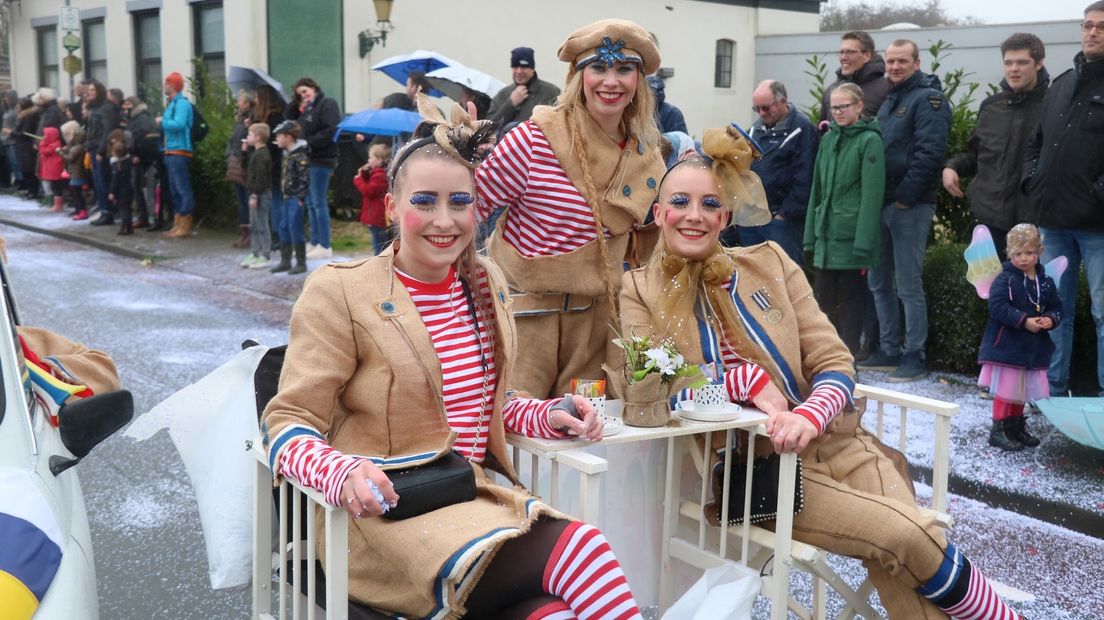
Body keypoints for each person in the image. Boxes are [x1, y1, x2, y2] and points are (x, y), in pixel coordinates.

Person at [261, 106, 641, 620]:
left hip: (468, 498)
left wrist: (547, 414)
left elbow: (486, 405)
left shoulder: (484, 283)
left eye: (460, 202)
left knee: (553, 615)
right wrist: (341, 471)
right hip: (381, 520)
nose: (445, 220)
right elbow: (286, 423)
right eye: (425, 201)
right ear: (392, 207)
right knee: (584, 549)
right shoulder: (342, 290)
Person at [620, 135, 1022, 620]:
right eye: (680, 202)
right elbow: (652, 387)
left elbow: (834, 359)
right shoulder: (638, 288)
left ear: (725, 218)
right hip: (761, 470)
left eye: (710, 203)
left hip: (839, 439)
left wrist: (811, 414)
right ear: (659, 213)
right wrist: (741, 381)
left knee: (903, 554)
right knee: (906, 534)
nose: (694, 215)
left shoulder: (769, 262)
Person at [476, 19, 666, 398]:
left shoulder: (648, 155)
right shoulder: (532, 140)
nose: (610, 82)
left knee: (586, 440)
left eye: (624, 69)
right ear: (578, 76)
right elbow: (468, 212)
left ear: (638, 81)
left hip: (595, 330)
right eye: (598, 67)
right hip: (525, 321)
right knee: (516, 443)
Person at [1022, 1, 1104, 398]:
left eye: (1101, 27)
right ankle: (1050, 390)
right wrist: (1031, 181)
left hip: (1098, 224)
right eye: (1088, 25)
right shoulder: (1063, 83)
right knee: (1053, 313)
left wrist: (1095, 195)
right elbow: (1036, 144)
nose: (1092, 32)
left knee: (1103, 313)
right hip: (1052, 220)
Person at [859, 39, 951, 383]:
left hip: (908, 206)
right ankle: (888, 349)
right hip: (882, 203)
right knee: (880, 282)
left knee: (908, 284)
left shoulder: (929, 100)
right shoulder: (891, 98)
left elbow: (930, 153)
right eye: (891, 61)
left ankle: (915, 354)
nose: (894, 67)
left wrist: (906, 197)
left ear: (917, 62)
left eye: (902, 61)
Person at [943, 33, 1049, 259]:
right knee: (993, 291)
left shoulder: (1054, 105)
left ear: (1039, 63)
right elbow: (976, 156)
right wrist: (952, 167)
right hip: (990, 219)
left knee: (1034, 292)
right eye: (1008, 63)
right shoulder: (991, 107)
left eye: (1022, 62)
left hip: (1036, 222)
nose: (1014, 69)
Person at [804, 83, 885, 356]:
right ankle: (825, 354)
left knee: (852, 302)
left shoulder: (869, 140)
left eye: (843, 107)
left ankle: (848, 356)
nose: (837, 112)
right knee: (823, 299)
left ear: (859, 107)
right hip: (827, 234)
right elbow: (816, 188)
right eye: (833, 107)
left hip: (851, 237)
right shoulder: (829, 138)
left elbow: (872, 195)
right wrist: (810, 234)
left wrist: (864, 243)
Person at [978, 224, 1060, 451]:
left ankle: (1015, 427)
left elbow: (1056, 306)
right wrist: (1024, 320)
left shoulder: (1046, 282)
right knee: (1006, 390)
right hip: (1007, 346)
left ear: (1040, 252)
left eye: (1029, 253)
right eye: (1017, 254)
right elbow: (997, 307)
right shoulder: (1004, 279)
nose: (1023, 258)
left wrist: (1051, 319)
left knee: (1021, 391)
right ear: (1009, 254)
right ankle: (999, 429)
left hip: (1032, 348)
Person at [727, 80, 816, 267]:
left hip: (781, 219)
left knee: (785, 272)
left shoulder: (802, 129)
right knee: (753, 272)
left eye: (766, 108)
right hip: (752, 216)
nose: (761, 114)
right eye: (757, 108)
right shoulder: (755, 129)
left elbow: (805, 176)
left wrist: (785, 214)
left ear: (783, 101)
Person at [286, 77, 341, 260]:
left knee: (318, 202)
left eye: (305, 91)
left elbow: (330, 129)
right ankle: (316, 241)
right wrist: (297, 104)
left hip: (321, 159)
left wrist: (308, 143)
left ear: (313, 88)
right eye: (299, 93)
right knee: (310, 202)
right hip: (309, 159)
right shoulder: (306, 109)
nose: (303, 95)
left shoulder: (327, 104)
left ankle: (325, 244)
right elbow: (290, 119)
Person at [820, 31, 891, 124]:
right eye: (841, 52)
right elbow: (822, 130)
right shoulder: (831, 90)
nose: (843, 58)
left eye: (849, 52)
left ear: (867, 56)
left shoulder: (887, 89)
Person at [158, 71, 196, 239]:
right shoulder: (172, 103)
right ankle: (178, 222)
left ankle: (185, 224)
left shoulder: (181, 104)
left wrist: (162, 122)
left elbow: (179, 124)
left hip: (180, 150)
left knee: (182, 188)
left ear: (172, 85)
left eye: (166, 83)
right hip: (170, 150)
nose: (164, 86)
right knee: (174, 189)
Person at [269, 120, 309, 275]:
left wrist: (300, 197)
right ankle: (285, 261)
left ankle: (301, 263)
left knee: (295, 227)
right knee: (283, 227)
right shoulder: (288, 154)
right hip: (286, 197)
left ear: (288, 137)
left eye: (279, 136)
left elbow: (304, 178)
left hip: (295, 198)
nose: (277, 139)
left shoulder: (300, 155)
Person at [487, 46, 562, 127]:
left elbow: (563, 121)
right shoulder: (503, 94)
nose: (519, 71)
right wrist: (511, 104)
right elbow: (489, 128)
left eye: (524, 67)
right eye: (515, 67)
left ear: (532, 68)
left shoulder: (551, 92)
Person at [84, 80, 120, 223]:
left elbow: (107, 131)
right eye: (89, 90)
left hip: (101, 148)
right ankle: (103, 209)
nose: (89, 92)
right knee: (98, 181)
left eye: (93, 90)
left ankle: (108, 212)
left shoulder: (106, 108)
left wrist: (101, 150)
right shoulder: (95, 108)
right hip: (93, 146)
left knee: (103, 180)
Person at [122, 96, 159, 229]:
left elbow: (143, 137)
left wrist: (137, 154)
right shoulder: (133, 119)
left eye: (128, 104)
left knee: (145, 190)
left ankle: (149, 218)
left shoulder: (142, 118)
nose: (125, 108)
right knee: (137, 188)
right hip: (136, 157)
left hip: (143, 159)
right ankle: (143, 217)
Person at [242, 122, 273, 270]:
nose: (247, 137)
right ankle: (254, 252)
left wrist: (255, 194)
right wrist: (244, 152)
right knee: (254, 224)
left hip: (261, 194)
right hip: (254, 192)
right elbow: (247, 171)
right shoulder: (255, 153)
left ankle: (265, 254)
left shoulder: (263, 155)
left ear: (258, 137)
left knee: (262, 223)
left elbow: (261, 177)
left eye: (250, 134)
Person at [228, 90, 256, 249]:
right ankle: (244, 233)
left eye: (241, 100)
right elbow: (232, 140)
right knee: (241, 200)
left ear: (248, 103)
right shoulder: (239, 120)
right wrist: (230, 155)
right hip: (237, 161)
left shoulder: (250, 120)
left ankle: (250, 235)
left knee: (246, 199)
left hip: (245, 162)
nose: (238, 102)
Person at [353, 142, 390, 256]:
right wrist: (364, 173)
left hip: (377, 216)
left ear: (379, 160)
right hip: (374, 215)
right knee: (377, 242)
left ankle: (380, 264)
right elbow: (369, 182)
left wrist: (358, 180)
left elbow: (369, 191)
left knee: (379, 244)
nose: (368, 160)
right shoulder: (376, 173)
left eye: (370, 158)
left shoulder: (380, 175)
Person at [107, 134, 135, 236]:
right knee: (127, 208)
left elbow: (115, 180)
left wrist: (111, 192)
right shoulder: (128, 161)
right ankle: (129, 226)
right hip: (129, 188)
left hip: (121, 191)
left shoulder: (117, 166)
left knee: (124, 209)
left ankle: (125, 227)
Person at [13, 97, 40, 199]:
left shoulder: (29, 117)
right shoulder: (23, 116)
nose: (17, 107)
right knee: (25, 169)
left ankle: (33, 191)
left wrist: (11, 133)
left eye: (19, 105)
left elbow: (24, 133)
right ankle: (29, 190)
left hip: (27, 146)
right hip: (22, 146)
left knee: (29, 169)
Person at [59, 121, 87, 218]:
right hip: (73, 173)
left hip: (77, 174)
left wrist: (60, 153)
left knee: (77, 194)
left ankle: (82, 211)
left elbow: (69, 158)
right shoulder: (74, 146)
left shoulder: (77, 147)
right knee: (74, 193)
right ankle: (78, 209)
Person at [37, 125, 65, 213]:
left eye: (46, 135)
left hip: (54, 169)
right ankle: (56, 204)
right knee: (55, 186)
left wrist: (42, 142)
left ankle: (58, 205)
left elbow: (44, 151)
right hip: (52, 168)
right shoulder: (54, 143)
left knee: (57, 187)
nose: (44, 137)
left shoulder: (54, 145)